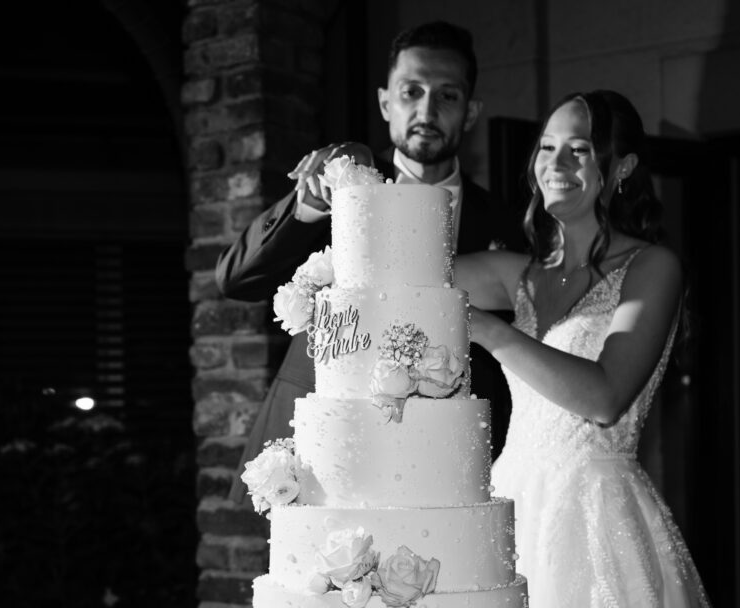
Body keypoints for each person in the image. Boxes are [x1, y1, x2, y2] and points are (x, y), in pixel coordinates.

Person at [455, 90, 728, 608]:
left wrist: (494, 332)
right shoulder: (519, 275)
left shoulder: (653, 267)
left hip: (596, 517)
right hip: (508, 502)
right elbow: (402, 272)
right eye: (547, 148)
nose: (555, 165)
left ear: (621, 166)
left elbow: (605, 397)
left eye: (578, 150)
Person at [216, 21, 523, 501]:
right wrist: (310, 208)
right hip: (321, 465)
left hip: (444, 472)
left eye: (447, 96)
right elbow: (237, 278)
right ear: (385, 102)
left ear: (470, 112)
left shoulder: (508, 223)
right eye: (411, 92)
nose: (427, 110)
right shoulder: (338, 182)